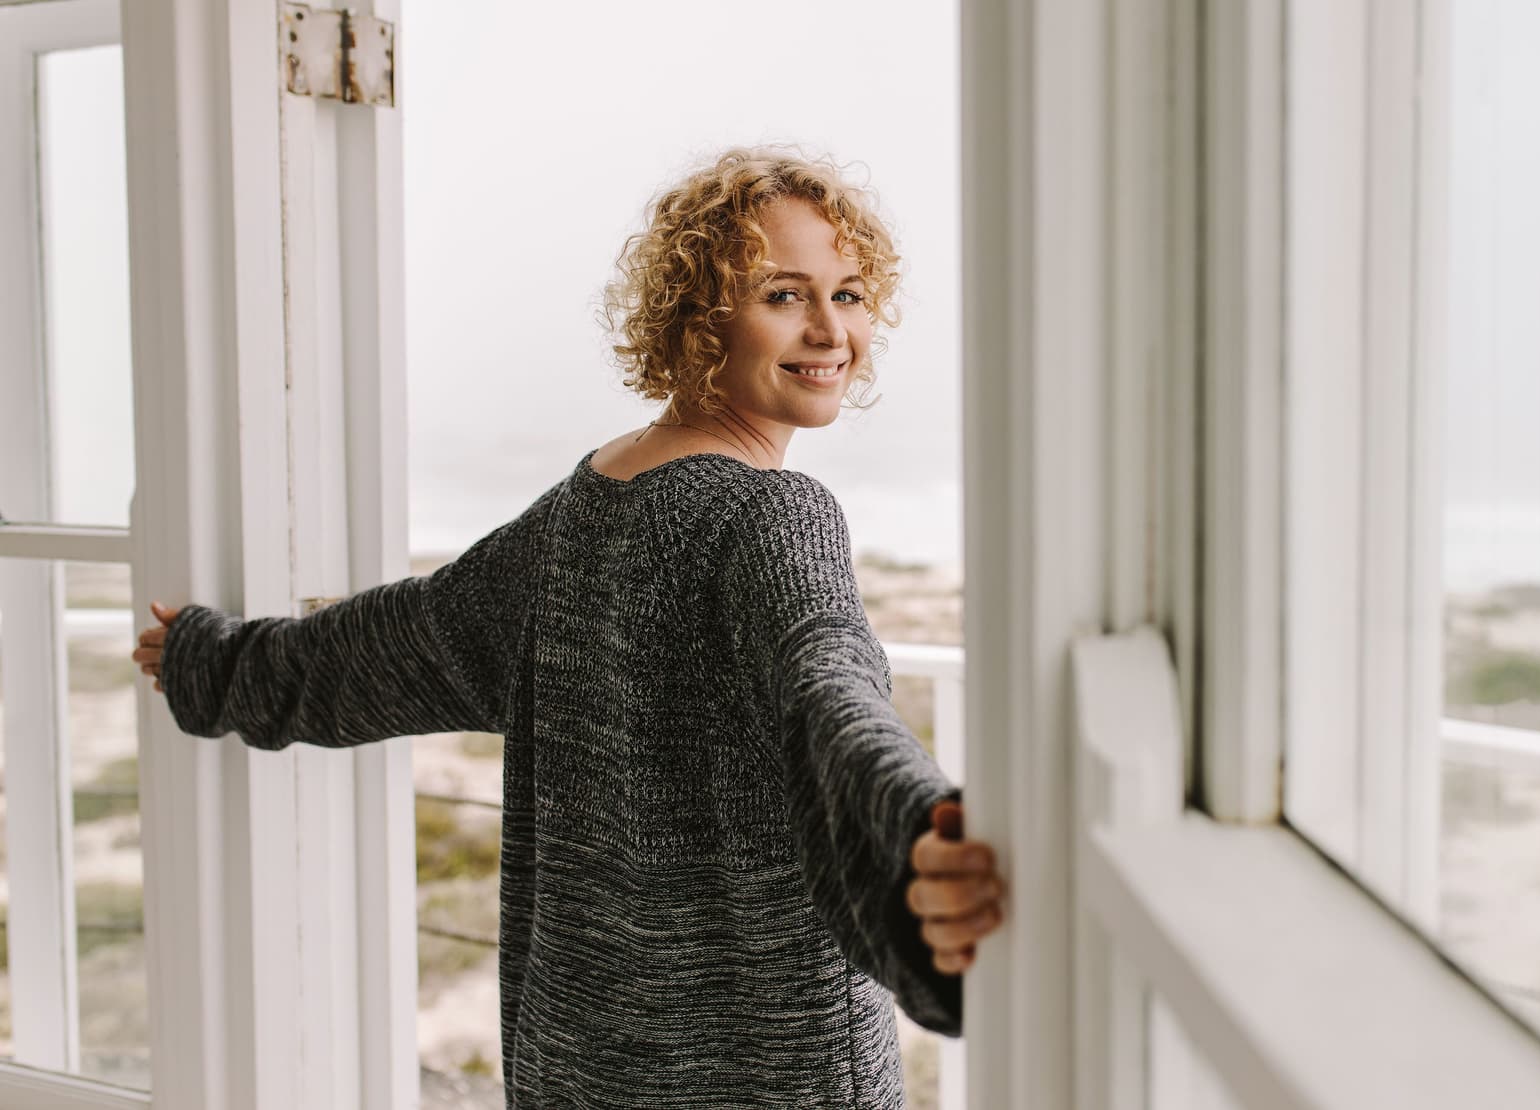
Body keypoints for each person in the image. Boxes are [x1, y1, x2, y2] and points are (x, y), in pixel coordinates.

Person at [132, 146, 1006, 1108]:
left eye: (847, 293)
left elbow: (397, 640)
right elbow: (830, 684)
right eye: (784, 294)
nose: (830, 330)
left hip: (580, 1058)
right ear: (698, 314)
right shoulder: (774, 513)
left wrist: (208, 661)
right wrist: (916, 837)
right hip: (764, 1074)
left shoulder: (588, 497)